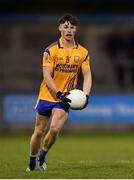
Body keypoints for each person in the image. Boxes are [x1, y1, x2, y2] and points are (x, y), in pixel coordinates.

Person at [26, 13, 92, 171]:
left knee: (54, 129)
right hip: (47, 95)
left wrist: (86, 95)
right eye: (66, 27)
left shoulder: (83, 52)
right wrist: (57, 92)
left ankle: (43, 155)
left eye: (72, 27)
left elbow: (88, 76)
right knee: (39, 131)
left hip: (65, 98)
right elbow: (47, 75)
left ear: (76, 30)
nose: (69, 30)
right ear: (60, 28)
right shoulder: (51, 50)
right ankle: (32, 160)